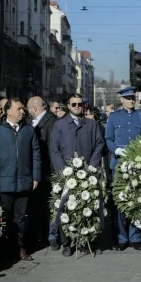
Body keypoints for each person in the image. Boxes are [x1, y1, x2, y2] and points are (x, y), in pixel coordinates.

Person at [49, 93, 105, 256]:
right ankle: (67, 242)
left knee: (87, 206)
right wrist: (63, 171)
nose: (77, 107)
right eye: (74, 104)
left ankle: (87, 240)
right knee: (65, 208)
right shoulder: (60, 125)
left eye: (80, 104)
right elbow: (54, 149)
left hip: (87, 173)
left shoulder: (91, 125)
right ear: (68, 106)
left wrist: (92, 166)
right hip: (66, 175)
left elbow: (99, 145)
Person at [0, 99, 41, 262]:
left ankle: (20, 248)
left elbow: (36, 154)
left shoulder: (28, 130)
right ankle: (3, 250)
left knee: (20, 218)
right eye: (19, 108)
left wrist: (35, 176)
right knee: (4, 217)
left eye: (23, 109)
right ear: (8, 111)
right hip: (4, 183)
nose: (22, 111)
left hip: (24, 181)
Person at [105, 86, 141, 251]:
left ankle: (135, 237)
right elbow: (108, 138)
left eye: (133, 98)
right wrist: (117, 150)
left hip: (137, 164)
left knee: (137, 200)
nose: (132, 101)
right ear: (122, 100)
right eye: (128, 98)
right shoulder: (114, 117)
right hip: (119, 164)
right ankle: (122, 237)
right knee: (120, 202)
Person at [26, 96, 58, 247]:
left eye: (27, 108)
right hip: (35, 171)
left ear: (34, 108)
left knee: (47, 205)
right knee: (38, 205)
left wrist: (51, 172)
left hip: (46, 171)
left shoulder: (51, 121)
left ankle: (50, 237)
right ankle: (39, 235)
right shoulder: (30, 121)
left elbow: (52, 149)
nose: (26, 111)